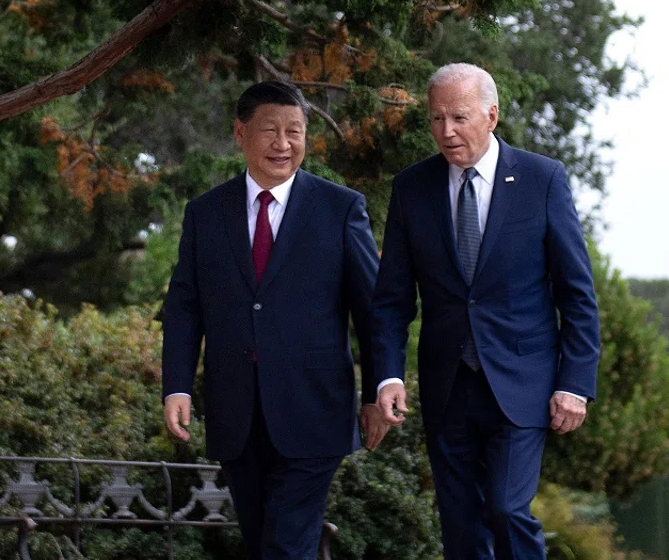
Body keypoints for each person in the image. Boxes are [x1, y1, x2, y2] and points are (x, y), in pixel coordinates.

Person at [371, 63, 601, 559]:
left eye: (459, 116)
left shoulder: (543, 180)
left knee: (505, 507)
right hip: (446, 384)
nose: (446, 131)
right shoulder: (412, 189)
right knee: (460, 526)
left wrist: (575, 383)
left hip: (523, 380)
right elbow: (391, 299)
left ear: (491, 115)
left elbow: (576, 292)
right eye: (436, 119)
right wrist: (387, 375)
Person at [161, 81, 387, 560]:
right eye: (270, 130)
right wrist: (177, 386)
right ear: (240, 133)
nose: (283, 144)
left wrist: (377, 391)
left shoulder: (341, 208)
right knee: (264, 539)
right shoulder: (205, 213)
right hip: (236, 412)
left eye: (295, 131)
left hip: (316, 410)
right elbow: (185, 307)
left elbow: (372, 309)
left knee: (286, 544)